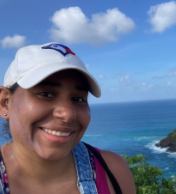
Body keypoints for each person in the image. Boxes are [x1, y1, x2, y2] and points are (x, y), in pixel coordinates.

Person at [0, 43, 136, 194]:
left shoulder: (113, 170)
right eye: (45, 94)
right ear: (5, 102)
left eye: (78, 98)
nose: (68, 114)